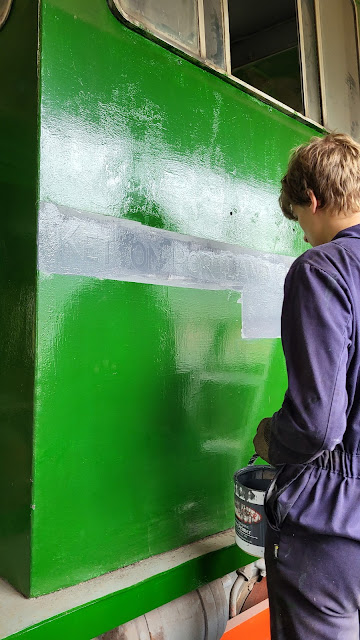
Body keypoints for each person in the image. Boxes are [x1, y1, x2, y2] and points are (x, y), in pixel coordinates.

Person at [253, 133, 360, 640]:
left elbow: (318, 427)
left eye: (299, 219)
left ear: (313, 200)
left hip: (332, 528)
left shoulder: (321, 271)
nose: (303, 236)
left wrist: (271, 439)